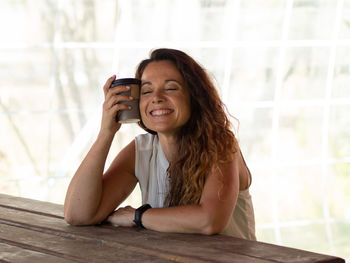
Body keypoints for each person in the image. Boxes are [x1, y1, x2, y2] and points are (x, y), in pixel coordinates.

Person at [64, 48, 256, 240]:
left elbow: (209, 220)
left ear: (195, 96)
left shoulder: (221, 145)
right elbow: (78, 214)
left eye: (171, 88)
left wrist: (137, 216)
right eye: (147, 91)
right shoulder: (141, 150)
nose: (156, 97)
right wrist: (106, 133)